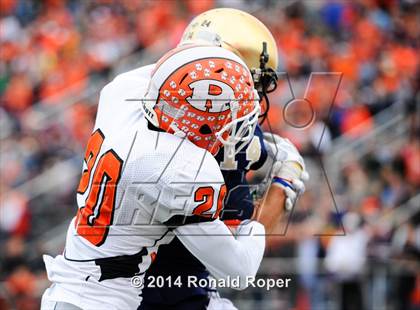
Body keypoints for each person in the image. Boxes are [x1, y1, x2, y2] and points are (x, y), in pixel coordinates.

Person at [40, 41, 307, 309]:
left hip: (66, 292)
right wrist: (283, 184)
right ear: (203, 126)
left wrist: (218, 59)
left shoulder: (122, 94)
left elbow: (171, 69)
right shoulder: (182, 169)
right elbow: (239, 272)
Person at [139, 8, 306, 310]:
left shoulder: (134, 101)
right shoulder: (191, 158)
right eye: (246, 83)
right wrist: (284, 183)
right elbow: (236, 267)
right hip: (155, 294)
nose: (252, 97)